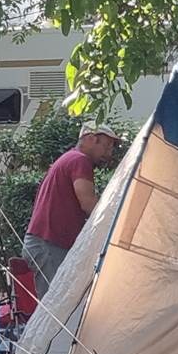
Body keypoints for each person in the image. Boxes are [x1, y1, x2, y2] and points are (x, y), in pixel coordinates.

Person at [23, 122, 120, 298]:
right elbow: (88, 203)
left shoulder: (69, 158)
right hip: (50, 244)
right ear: (90, 139)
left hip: (46, 242)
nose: (108, 154)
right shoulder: (80, 160)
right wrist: (114, 226)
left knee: (57, 304)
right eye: (105, 147)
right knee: (56, 308)